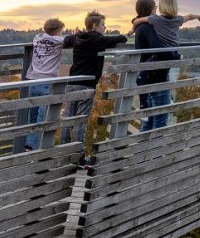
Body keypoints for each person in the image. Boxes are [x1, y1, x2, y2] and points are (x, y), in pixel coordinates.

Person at [128, 0, 200, 130]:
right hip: (158, 77)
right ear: (151, 9)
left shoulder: (152, 23)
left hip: (155, 74)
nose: (156, 9)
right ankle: (153, 149)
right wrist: (175, 57)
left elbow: (137, 21)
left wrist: (132, 29)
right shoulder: (153, 25)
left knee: (149, 120)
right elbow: (159, 49)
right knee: (160, 122)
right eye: (154, 7)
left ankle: (143, 148)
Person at [61, 10, 127, 160]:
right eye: (103, 25)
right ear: (95, 25)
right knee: (80, 121)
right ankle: (78, 156)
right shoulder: (98, 39)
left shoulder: (77, 37)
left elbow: (66, 40)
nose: (105, 28)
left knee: (68, 119)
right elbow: (121, 38)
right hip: (86, 85)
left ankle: (63, 152)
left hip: (71, 83)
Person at [23, 18, 67, 151]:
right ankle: (38, 149)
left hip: (34, 80)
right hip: (48, 81)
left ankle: (28, 146)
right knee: (42, 118)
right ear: (58, 31)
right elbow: (69, 40)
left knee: (32, 116)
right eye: (61, 31)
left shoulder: (36, 38)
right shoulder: (58, 40)